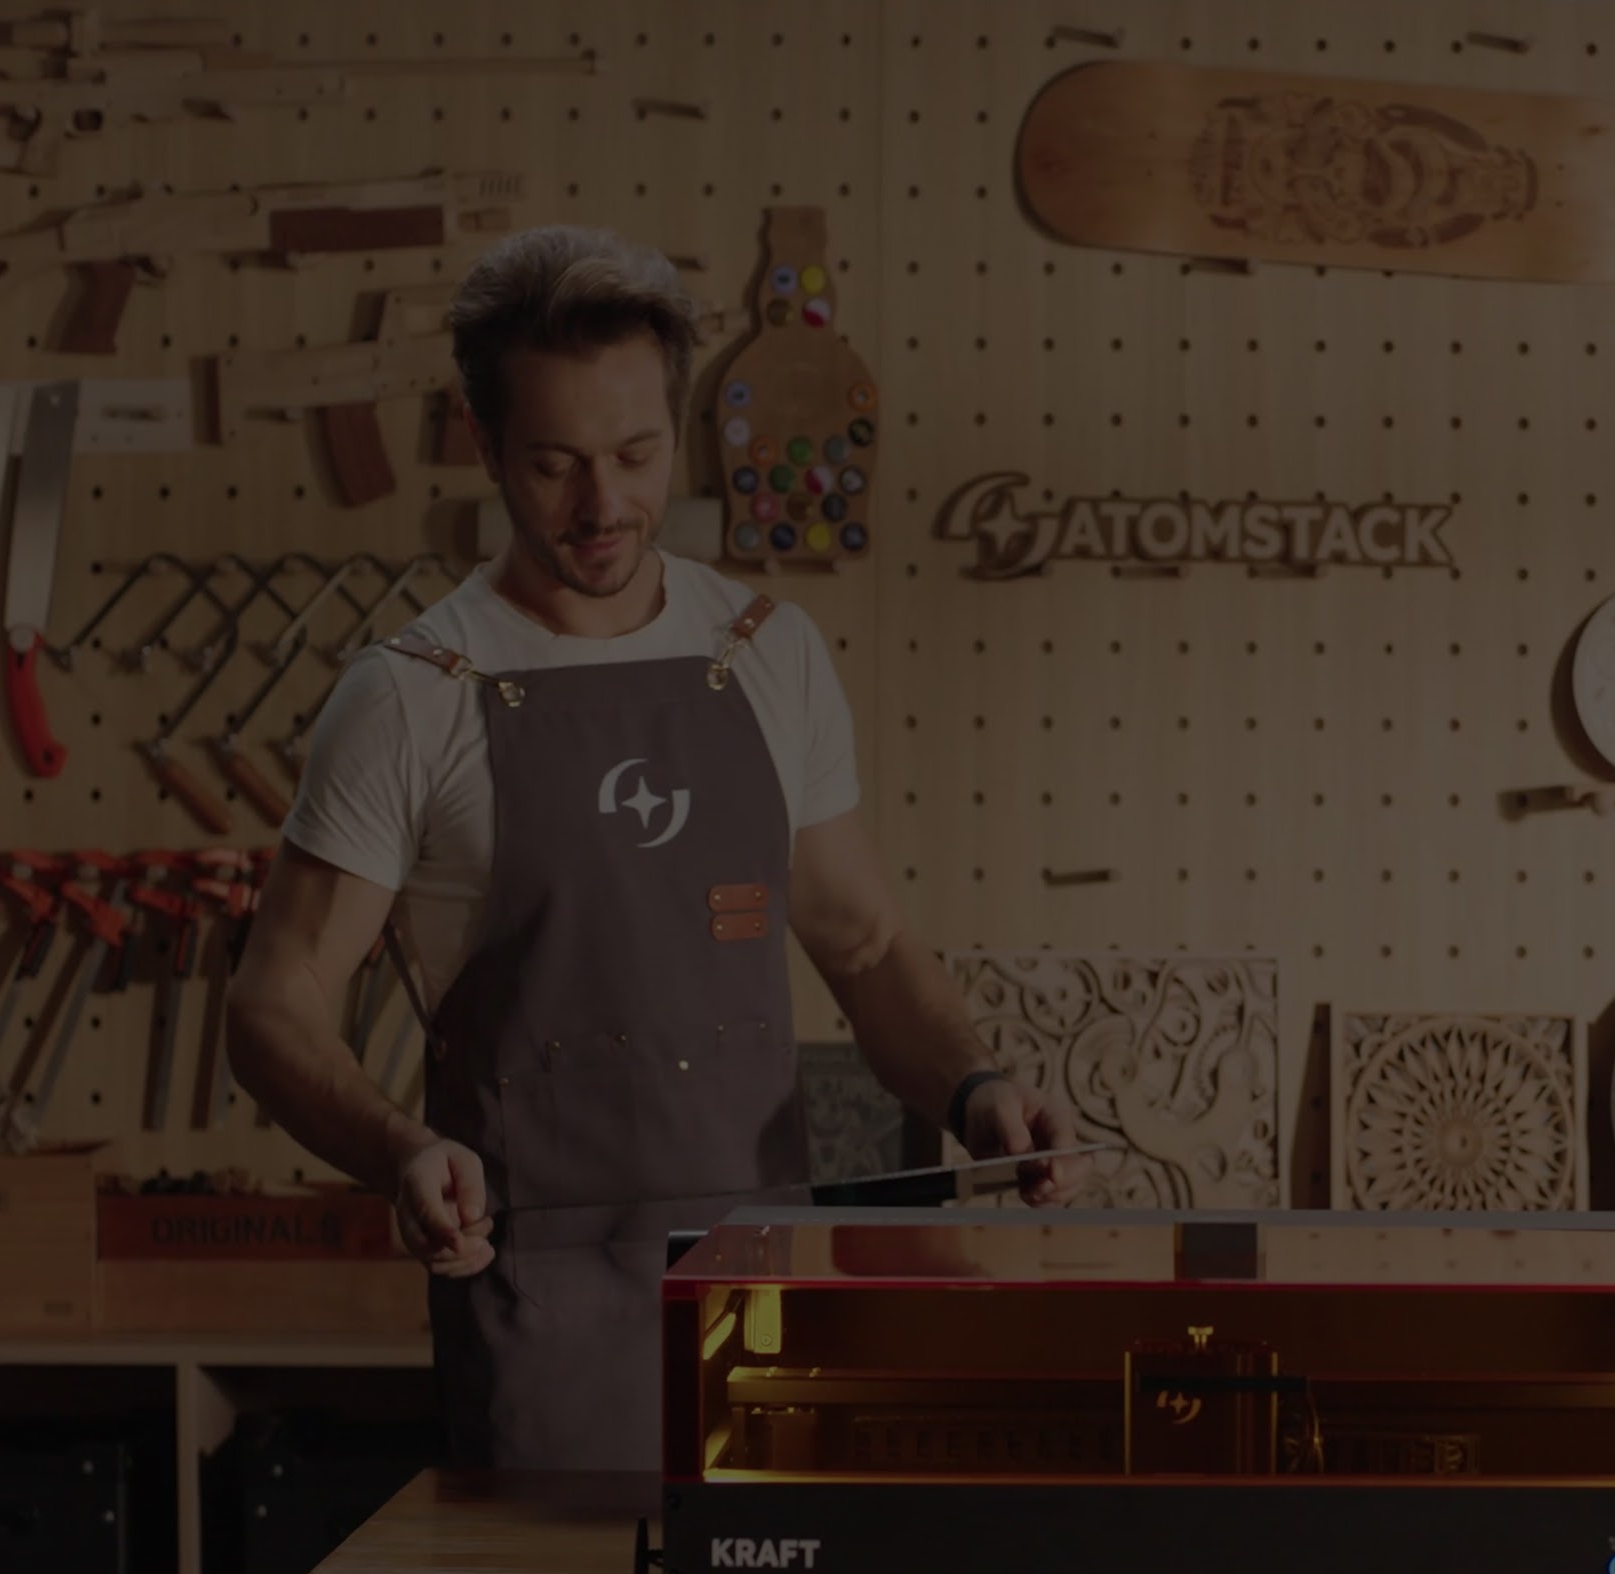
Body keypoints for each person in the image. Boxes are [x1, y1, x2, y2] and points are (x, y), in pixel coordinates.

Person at [227, 225, 1089, 1472]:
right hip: (540, 1303)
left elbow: (868, 942)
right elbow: (274, 1005)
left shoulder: (766, 651)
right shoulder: (413, 694)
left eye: (636, 455)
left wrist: (973, 1089)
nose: (603, 507)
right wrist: (403, 1149)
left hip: (768, 1285)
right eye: (554, 464)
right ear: (483, 446)